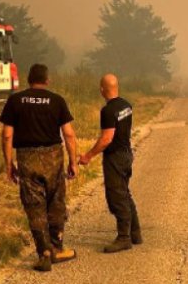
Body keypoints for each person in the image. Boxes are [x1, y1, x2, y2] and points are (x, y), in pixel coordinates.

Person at [0, 63, 79, 272]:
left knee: (34, 207)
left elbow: (7, 135)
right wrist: (73, 161)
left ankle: (43, 252)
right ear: (47, 80)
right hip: (53, 156)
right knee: (56, 203)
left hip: (27, 158)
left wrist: (9, 164)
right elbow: (69, 134)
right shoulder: (57, 101)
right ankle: (57, 248)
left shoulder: (15, 101)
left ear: (28, 79)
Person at [78, 73, 141, 253]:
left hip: (115, 157)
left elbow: (106, 139)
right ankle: (135, 232)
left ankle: (124, 238)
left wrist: (89, 155)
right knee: (125, 192)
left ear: (102, 90)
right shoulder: (126, 105)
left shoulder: (108, 111)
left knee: (116, 197)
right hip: (127, 153)